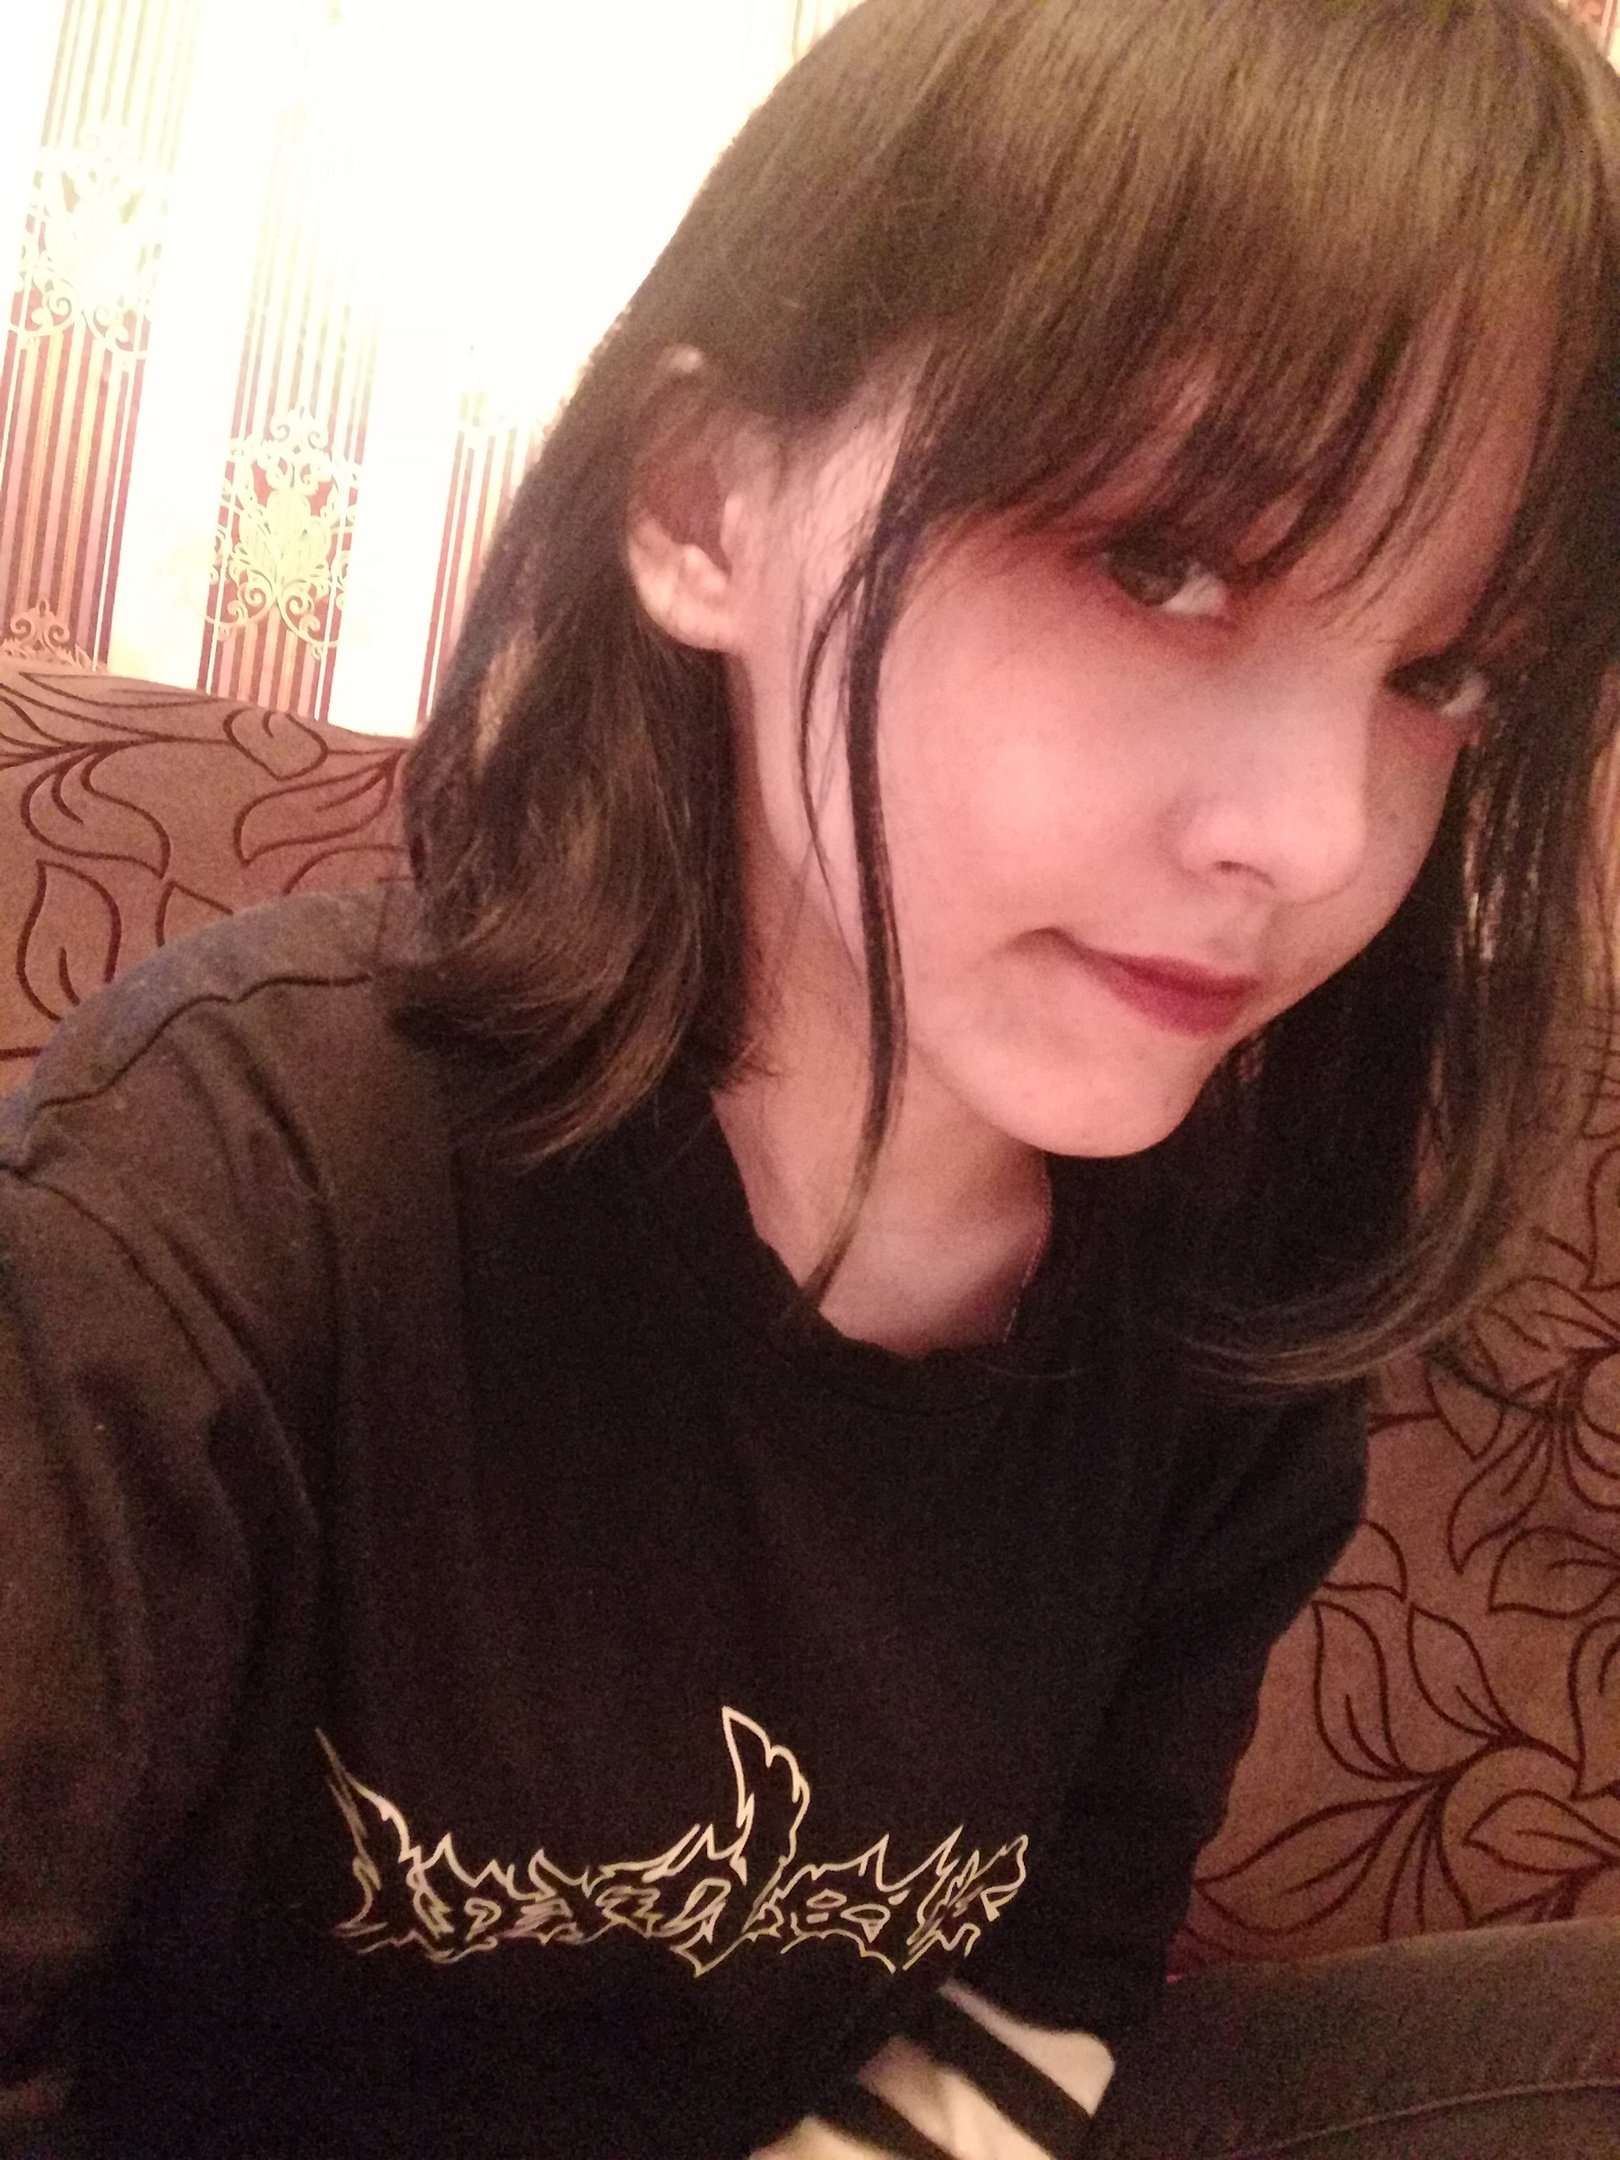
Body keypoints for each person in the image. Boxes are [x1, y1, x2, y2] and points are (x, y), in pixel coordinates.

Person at [4, 0, 1620, 2153]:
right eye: (1163, 561)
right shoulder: (220, 1205)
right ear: (709, 503)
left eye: (1448, 673)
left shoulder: (1241, 1318)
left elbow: (1058, 1957)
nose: (1317, 836)